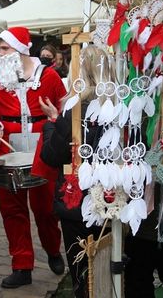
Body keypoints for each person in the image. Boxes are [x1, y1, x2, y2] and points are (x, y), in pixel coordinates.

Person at [0, 26, 66, 288]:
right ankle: (22, 266)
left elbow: (64, 111)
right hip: (6, 149)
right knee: (11, 210)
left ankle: (53, 250)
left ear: (21, 48)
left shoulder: (49, 77)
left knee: (44, 209)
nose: (0, 53)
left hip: (42, 147)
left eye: (5, 48)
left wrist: (56, 116)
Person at [39, 47, 110, 298]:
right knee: (107, 269)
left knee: (82, 272)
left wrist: (52, 123)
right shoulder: (117, 105)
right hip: (109, 199)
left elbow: (51, 155)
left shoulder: (75, 108)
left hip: (78, 202)